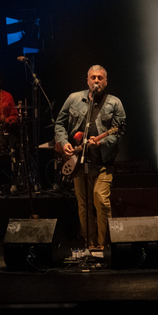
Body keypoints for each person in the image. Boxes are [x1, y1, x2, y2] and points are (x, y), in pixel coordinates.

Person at [55, 65, 125, 250]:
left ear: (106, 81)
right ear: (87, 81)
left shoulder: (115, 103)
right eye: (93, 77)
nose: (96, 81)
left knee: (100, 200)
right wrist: (64, 143)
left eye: (100, 78)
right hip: (79, 162)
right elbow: (59, 124)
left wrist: (101, 142)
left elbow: (118, 132)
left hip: (103, 162)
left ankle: (104, 245)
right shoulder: (74, 99)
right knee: (83, 204)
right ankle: (90, 243)